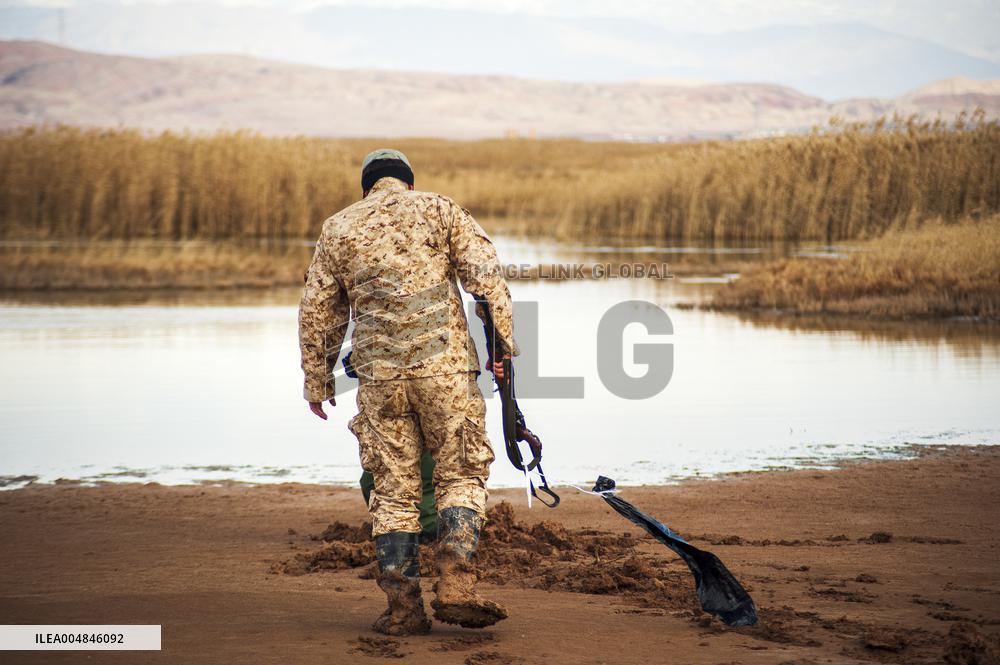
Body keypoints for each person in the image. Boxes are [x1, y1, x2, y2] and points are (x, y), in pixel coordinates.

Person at [298, 149, 517, 636]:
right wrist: (502, 347)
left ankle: (403, 610)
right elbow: (488, 282)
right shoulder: (440, 209)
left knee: (393, 494)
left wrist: (317, 381)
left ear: (366, 189)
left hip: (380, 380)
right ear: (409, 185)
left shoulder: (338, 228)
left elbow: (318, 312)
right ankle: (457, 584)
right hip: (446, 373)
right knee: (460, 475)